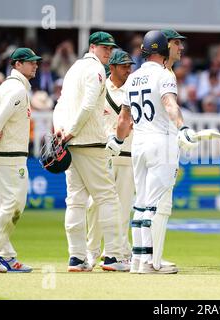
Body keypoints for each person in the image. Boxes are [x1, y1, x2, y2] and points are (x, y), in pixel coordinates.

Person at [106, 30, 198, 274]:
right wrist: (183, 127)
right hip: (161, 143)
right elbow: (169, 104)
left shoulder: (133, 78)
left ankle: (138, 260)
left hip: (138, 145)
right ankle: (150, 262)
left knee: (141, 203)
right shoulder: (164, 75)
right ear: (162, 49)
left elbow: (124, 119)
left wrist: (117, 140)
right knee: (154, 205)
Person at [53, 31, 130, 272]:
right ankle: (114, 257)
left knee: (75, 201)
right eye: (104, 48)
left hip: (71, 144)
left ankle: (77, 257)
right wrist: (70, 132)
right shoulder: (96, 70)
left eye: (110, 48)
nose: (108, 52)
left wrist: (60, 131)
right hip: (90, 142)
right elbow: (86, 105)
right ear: (93, 47)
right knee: (107, 198)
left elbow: (60, 104)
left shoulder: (73, 69)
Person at [0, 48, 42, 273]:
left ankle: (6, 255)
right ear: (17, 65)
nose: (35, 65)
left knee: (6, 206)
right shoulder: (16, 91)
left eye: (36, 62)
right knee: (12, 206)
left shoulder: (7, 87)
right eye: (30, 62)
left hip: (6, 156)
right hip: (8, 158)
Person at [86, 49, 135, 269]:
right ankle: (91, 251)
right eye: (124, 66)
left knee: (123, 208)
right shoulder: (100, 86)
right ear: (112, 67)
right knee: (94, 206)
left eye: (129, 66)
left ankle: (116, 253)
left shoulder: (134, 89)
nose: (128, 70)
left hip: (128, 155)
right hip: (102, 156)